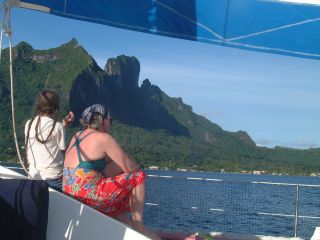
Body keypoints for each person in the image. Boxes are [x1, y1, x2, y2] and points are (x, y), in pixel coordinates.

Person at [63, 104, 160, 240]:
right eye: (110, 120)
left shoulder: (77, 136)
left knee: (115, 169)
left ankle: (121, 219)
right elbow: (130, 168)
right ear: (103, 121)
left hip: (70, 194)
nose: (111, 124)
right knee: (139, 177)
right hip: (88, 197)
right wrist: (133, 162)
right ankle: (139, 227)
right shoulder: (104, 139)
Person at [24, 90, 74, 191]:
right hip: (53, 179)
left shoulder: (29, 124)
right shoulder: (57, 127)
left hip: (34, 176)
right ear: (55, 108)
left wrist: (63, 125)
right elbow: (64, 150)